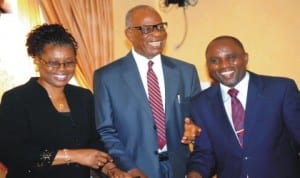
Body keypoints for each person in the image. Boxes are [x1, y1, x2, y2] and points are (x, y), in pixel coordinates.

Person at [0, 24, 132, 178]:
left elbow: (94, 143)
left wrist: (111, 169)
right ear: (37, 60)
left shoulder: (83, 97)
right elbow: (14, 154)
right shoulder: (17, 99)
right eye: (53, 63)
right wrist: (74, 156)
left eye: (69, 62)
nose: (62, 69)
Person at [93, 4, 201, 178]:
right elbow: (106, 130)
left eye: (160, 27)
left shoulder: (186, 72)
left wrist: (196, 128)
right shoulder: (107, 77)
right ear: (129, 34)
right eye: (147, 29)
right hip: (135, 169)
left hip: (180, 168)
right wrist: (129, 167)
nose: (157, 34)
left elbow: (198, 120)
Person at [187, 35, 300, 178]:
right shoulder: (200, 104)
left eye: (231, 57)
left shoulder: (280, 90)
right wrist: (195, 174)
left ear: (245, 58)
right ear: (208, 65)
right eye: (215, 61)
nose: (224, 65)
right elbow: (204, 153)